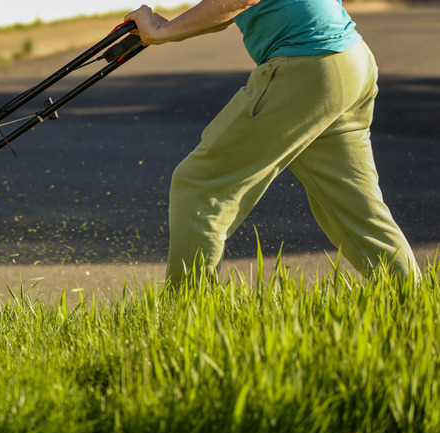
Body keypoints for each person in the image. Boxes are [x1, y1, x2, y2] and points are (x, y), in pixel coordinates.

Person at [124, 0, 420, 287]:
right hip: (346, 62)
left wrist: (161, 33)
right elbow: (232, 10)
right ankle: (416, 306)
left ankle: (184, 319)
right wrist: (169, 28)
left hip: (305, 67)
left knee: (199, 187)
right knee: (355, 208)